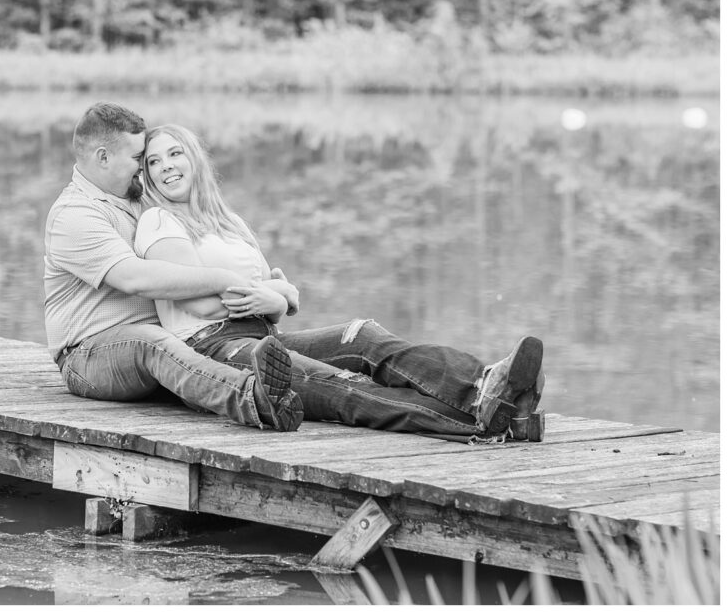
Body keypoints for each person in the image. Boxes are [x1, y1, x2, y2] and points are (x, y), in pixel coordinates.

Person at [133, 123, 547, 442]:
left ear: (195, 160)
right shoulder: (159, 221)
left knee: (363, 336)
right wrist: (274, 294)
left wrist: (275, 296)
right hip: (214, 349)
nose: (167, 165)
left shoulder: (230, 222)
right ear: (148, 176)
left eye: (175, 153)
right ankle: (486, 422)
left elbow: (279, 302)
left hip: (263, 335)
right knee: (342, 386)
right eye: (154, 161)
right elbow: (202, 305)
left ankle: (483, 385)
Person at [43, 102, 303, 433]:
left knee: (181, 345)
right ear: (103, 157)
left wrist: (272, 291)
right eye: (139, 158)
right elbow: (135, 279)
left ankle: (294, 389)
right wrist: (226, 280)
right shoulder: (74, 214)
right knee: (150, 341)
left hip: (171, 346)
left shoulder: (138, 201)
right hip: (90, 357)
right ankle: (253, 397)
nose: (144, 167)